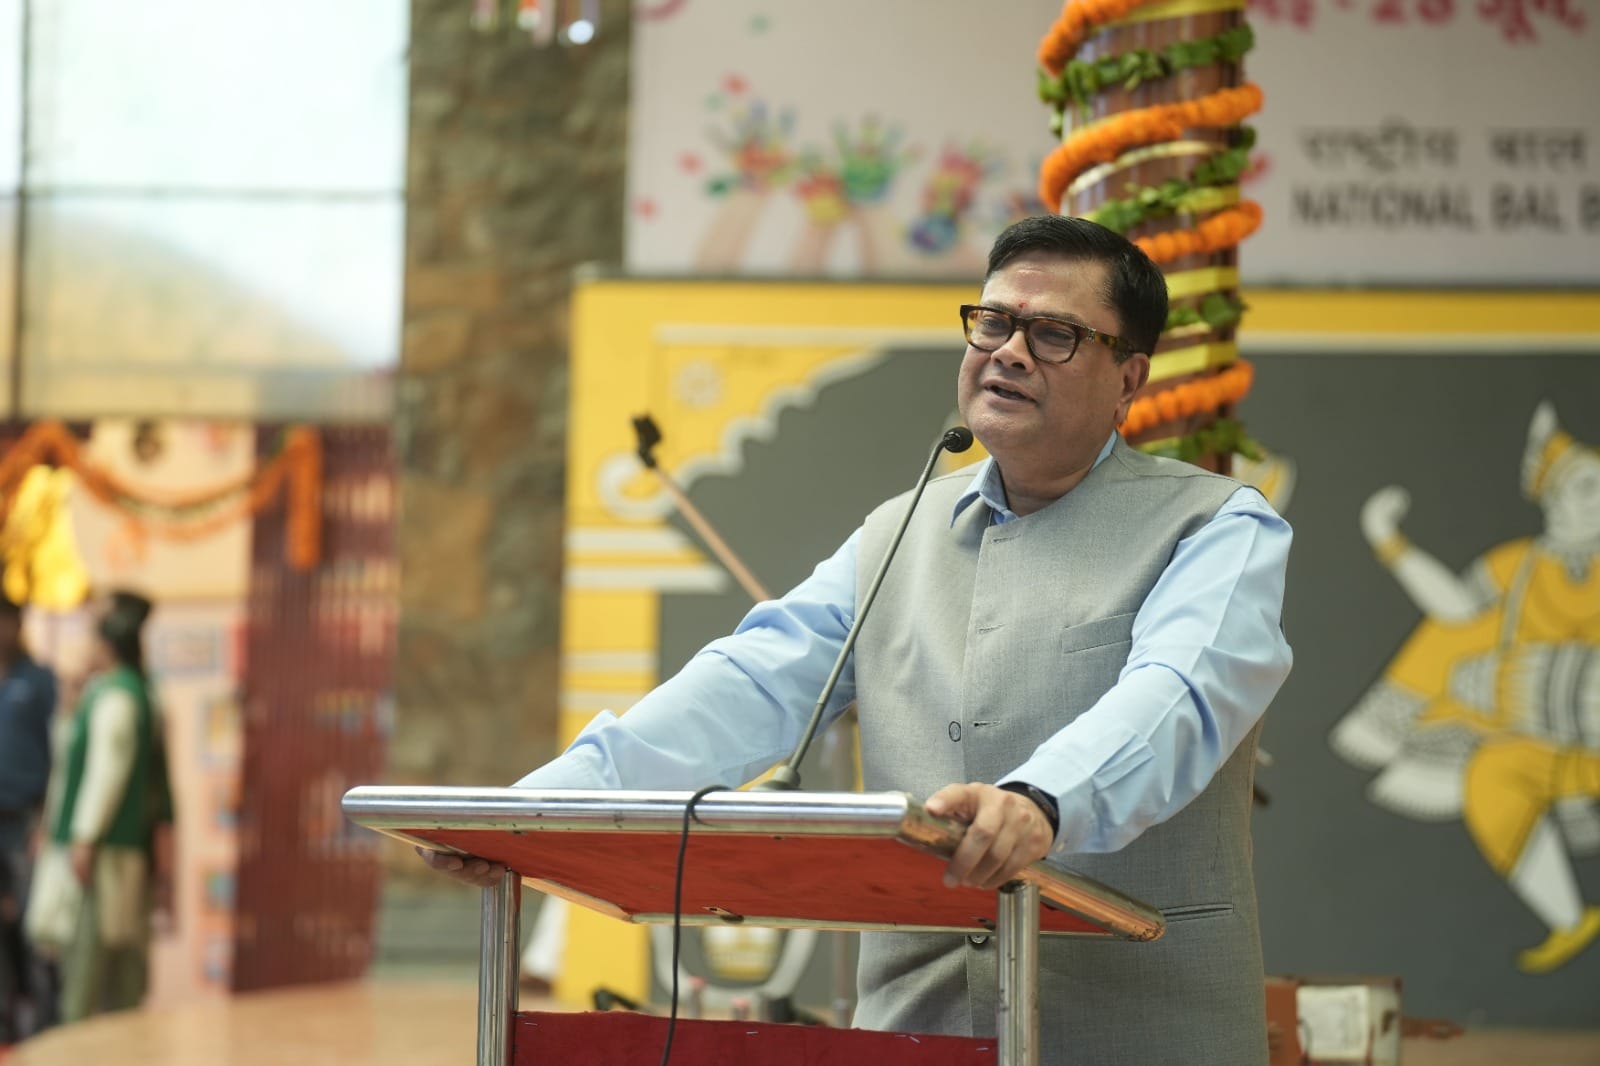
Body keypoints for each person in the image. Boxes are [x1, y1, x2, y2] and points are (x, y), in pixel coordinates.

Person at [421, 215, 1293, 1064]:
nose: (1010, 351)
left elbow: (1183, 692)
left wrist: (1043, 801)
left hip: (1140, 1028)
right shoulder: (895, 532)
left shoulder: (1215, 526)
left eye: (1055, 334)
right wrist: (542, 809)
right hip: (920, 1029)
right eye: (993, 322)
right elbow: (752, 683)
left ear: (1129, 377)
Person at [25, 590, 172, 1023]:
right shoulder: (122, 692)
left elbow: (107, 770)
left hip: (101, 856)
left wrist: (85, 837)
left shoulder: (118, 696)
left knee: (89, 977)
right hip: (109, 853)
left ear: (106, 644)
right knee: (107, 971)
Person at [0, 597, 57, 1041]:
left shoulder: (38, 680)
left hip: (26, 822)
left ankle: (46, 1029)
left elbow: (59, 751)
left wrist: (45, 820)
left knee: (35, 927)